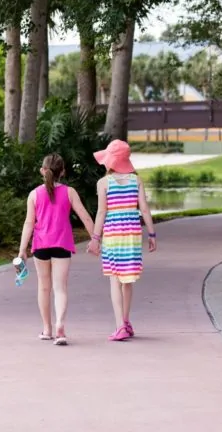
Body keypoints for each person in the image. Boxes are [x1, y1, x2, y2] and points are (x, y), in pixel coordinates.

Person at [18, 153, 96, 346]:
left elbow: (29, 223)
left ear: (42, 171)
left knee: (44, 287)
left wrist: (22, 250)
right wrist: (95, 238)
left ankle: (47, 329)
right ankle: (60, 325)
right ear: (63, 171)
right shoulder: (70, 192)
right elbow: (85, 216)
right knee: (60, 288)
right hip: (62, 244)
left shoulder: (34, 195)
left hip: (41, 245)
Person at [88, 140, 157, 341]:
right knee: (128, 280)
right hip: (132, 235)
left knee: (115, 280)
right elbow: (144, 209)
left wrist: (95, 238)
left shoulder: (103, 183)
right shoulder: (137, 181)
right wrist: (152, 234)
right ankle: (126, 322)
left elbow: (101, 212)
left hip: (112, 235)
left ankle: (120, 326)